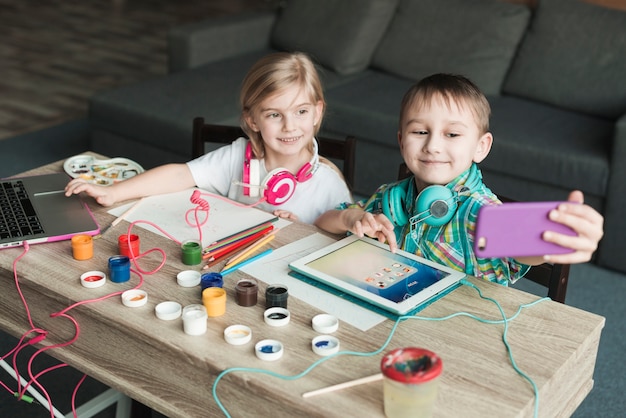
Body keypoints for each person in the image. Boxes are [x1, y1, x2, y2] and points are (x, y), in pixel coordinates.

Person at [315, 73, 604, 285]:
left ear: (481, 147)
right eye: (420, 132)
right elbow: (324, 221)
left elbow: (526, 251)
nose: (433, 146)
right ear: (402, 142)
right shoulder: (390, 197)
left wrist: (554, 237)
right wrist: (350, 219)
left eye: (452, 134)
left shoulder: (482, 211)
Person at [65, 52, 352, 224]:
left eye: (300, 111)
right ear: (252, 119)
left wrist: (301, 229)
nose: (290, 126)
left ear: (317, 112)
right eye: (274, 115)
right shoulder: (239, 157)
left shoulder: (328, 182)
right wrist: (114, 192)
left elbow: (343, 242)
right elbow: (180, 174)